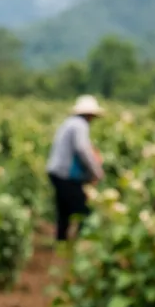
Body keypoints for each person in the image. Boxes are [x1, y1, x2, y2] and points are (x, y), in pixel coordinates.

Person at [46, 95, 105, 241]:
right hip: (65, 174)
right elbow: (82, 150)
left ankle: (61, 241)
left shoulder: (70, 123)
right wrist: (96, 172)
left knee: (64, 209)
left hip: (55, 171)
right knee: (83, 210)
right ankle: (80, 242)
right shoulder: (80, 125)